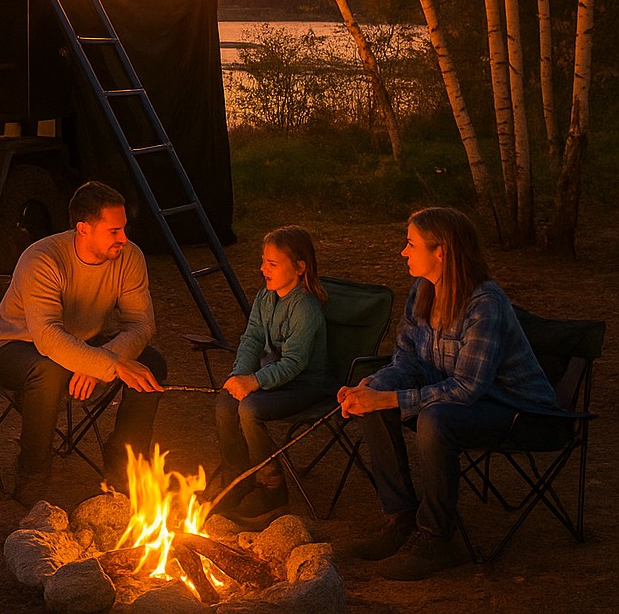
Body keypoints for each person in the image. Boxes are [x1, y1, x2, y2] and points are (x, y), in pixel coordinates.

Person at [337, 207, 559, 581]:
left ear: (440, 251)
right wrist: (372, 386)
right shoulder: (422, 290)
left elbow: (467, 387)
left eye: (411, 244)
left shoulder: (484, 303)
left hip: (522, 413)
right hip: (471, 403)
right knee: (374, 396)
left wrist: (389, 398)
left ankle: (437, 538)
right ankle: (401, 518)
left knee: (434, 418)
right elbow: (407, 359)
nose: (403, 252)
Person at [0, 181, 166, 504]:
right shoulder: (42, 259)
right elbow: (48, 337)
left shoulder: (129, 257)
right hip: (17, 346)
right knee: (48, 371)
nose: (124, 238)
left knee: (151, 363)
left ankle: (124, 463)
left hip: (86, 341)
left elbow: (142, 324)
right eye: (114, 231)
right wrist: (105, 364)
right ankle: (32, 474)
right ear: (83, 229)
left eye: (124, 228)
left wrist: (100, 361)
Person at [213, 226, 333, 521]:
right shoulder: (265, 298)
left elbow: (294, 363)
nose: (263, 269)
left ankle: (271, 489)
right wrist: (240, 376)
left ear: (299, 268)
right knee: (226, 401)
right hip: (273, 378)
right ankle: (238, 478)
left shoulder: (304, 307)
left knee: (250, 409)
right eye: (263, 261)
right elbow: (252, 338)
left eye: (272, 264)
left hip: (306, 385)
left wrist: (255, 381)